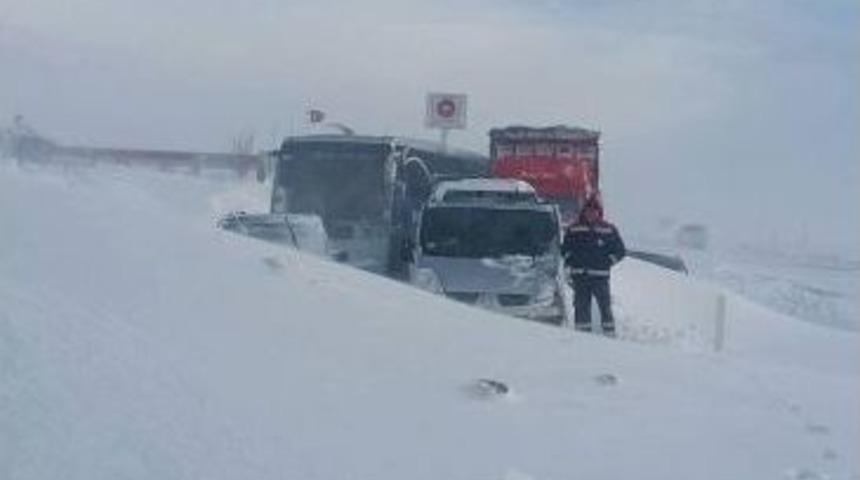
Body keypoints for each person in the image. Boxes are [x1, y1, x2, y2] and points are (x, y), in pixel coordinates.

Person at [560, 197, 626, 335]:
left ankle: (609, 335)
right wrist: (571, 260)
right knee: (581, 308)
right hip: (580, 277)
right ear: (584, 212)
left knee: (605, 308)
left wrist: (608, 261)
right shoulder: (574, 229)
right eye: (588, 210)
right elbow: (564, 250)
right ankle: (582, 338)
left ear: (599, 212)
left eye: (594, 211)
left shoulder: (608, 229)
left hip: (600, 278)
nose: (591, 213)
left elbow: (620, 251)